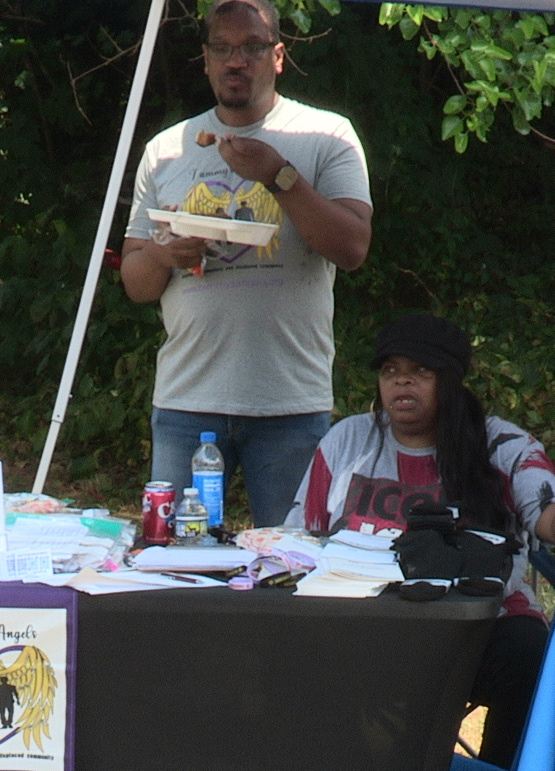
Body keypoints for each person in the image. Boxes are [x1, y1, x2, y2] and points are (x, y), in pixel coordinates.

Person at [285, 314, 555, 768]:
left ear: (451, 381)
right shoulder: (347, 439)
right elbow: (299, 539)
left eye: (421, 370)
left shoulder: (501, 443)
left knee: (528, 653)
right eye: (389, 370)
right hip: (363, 623)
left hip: (478, 626)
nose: (401, 380)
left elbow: (549, 507)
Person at [122, 0, 373, 529]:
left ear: (278, 56)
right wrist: (165, 253)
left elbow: (353, 248)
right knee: (174, 559)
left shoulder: (325, 136)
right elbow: (136, 282)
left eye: (252, 48)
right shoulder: (166, 150)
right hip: (186, 399)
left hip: (290, 403)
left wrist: (279, 176)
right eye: (223, 49)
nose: (236, 61)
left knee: (290, 561)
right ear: (206, 60)